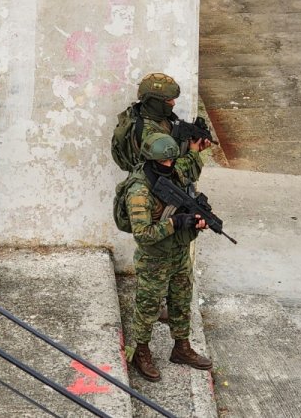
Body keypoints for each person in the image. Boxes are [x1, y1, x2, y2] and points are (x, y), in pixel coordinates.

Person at [125, 133, 214, 382]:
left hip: (179, 253)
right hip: (154, 259)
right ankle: (141, 352)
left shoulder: (174, 171)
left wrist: (196, 219)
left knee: (181, 301)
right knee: (148, 307)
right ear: (151, 160)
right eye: (163, 162)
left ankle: (181, 347)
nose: (169, 165)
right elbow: (143, 234)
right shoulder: (139, 191)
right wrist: (175, 222)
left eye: (171, 161)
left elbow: (187, 166)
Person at [128, 72, 212, 183]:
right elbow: (167, 171)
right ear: (155, 102)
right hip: (160, 188)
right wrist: (193, 153)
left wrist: (191, 146)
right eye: (168, 100)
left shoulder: (159, 117)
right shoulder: (148, 132)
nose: (173, 103)